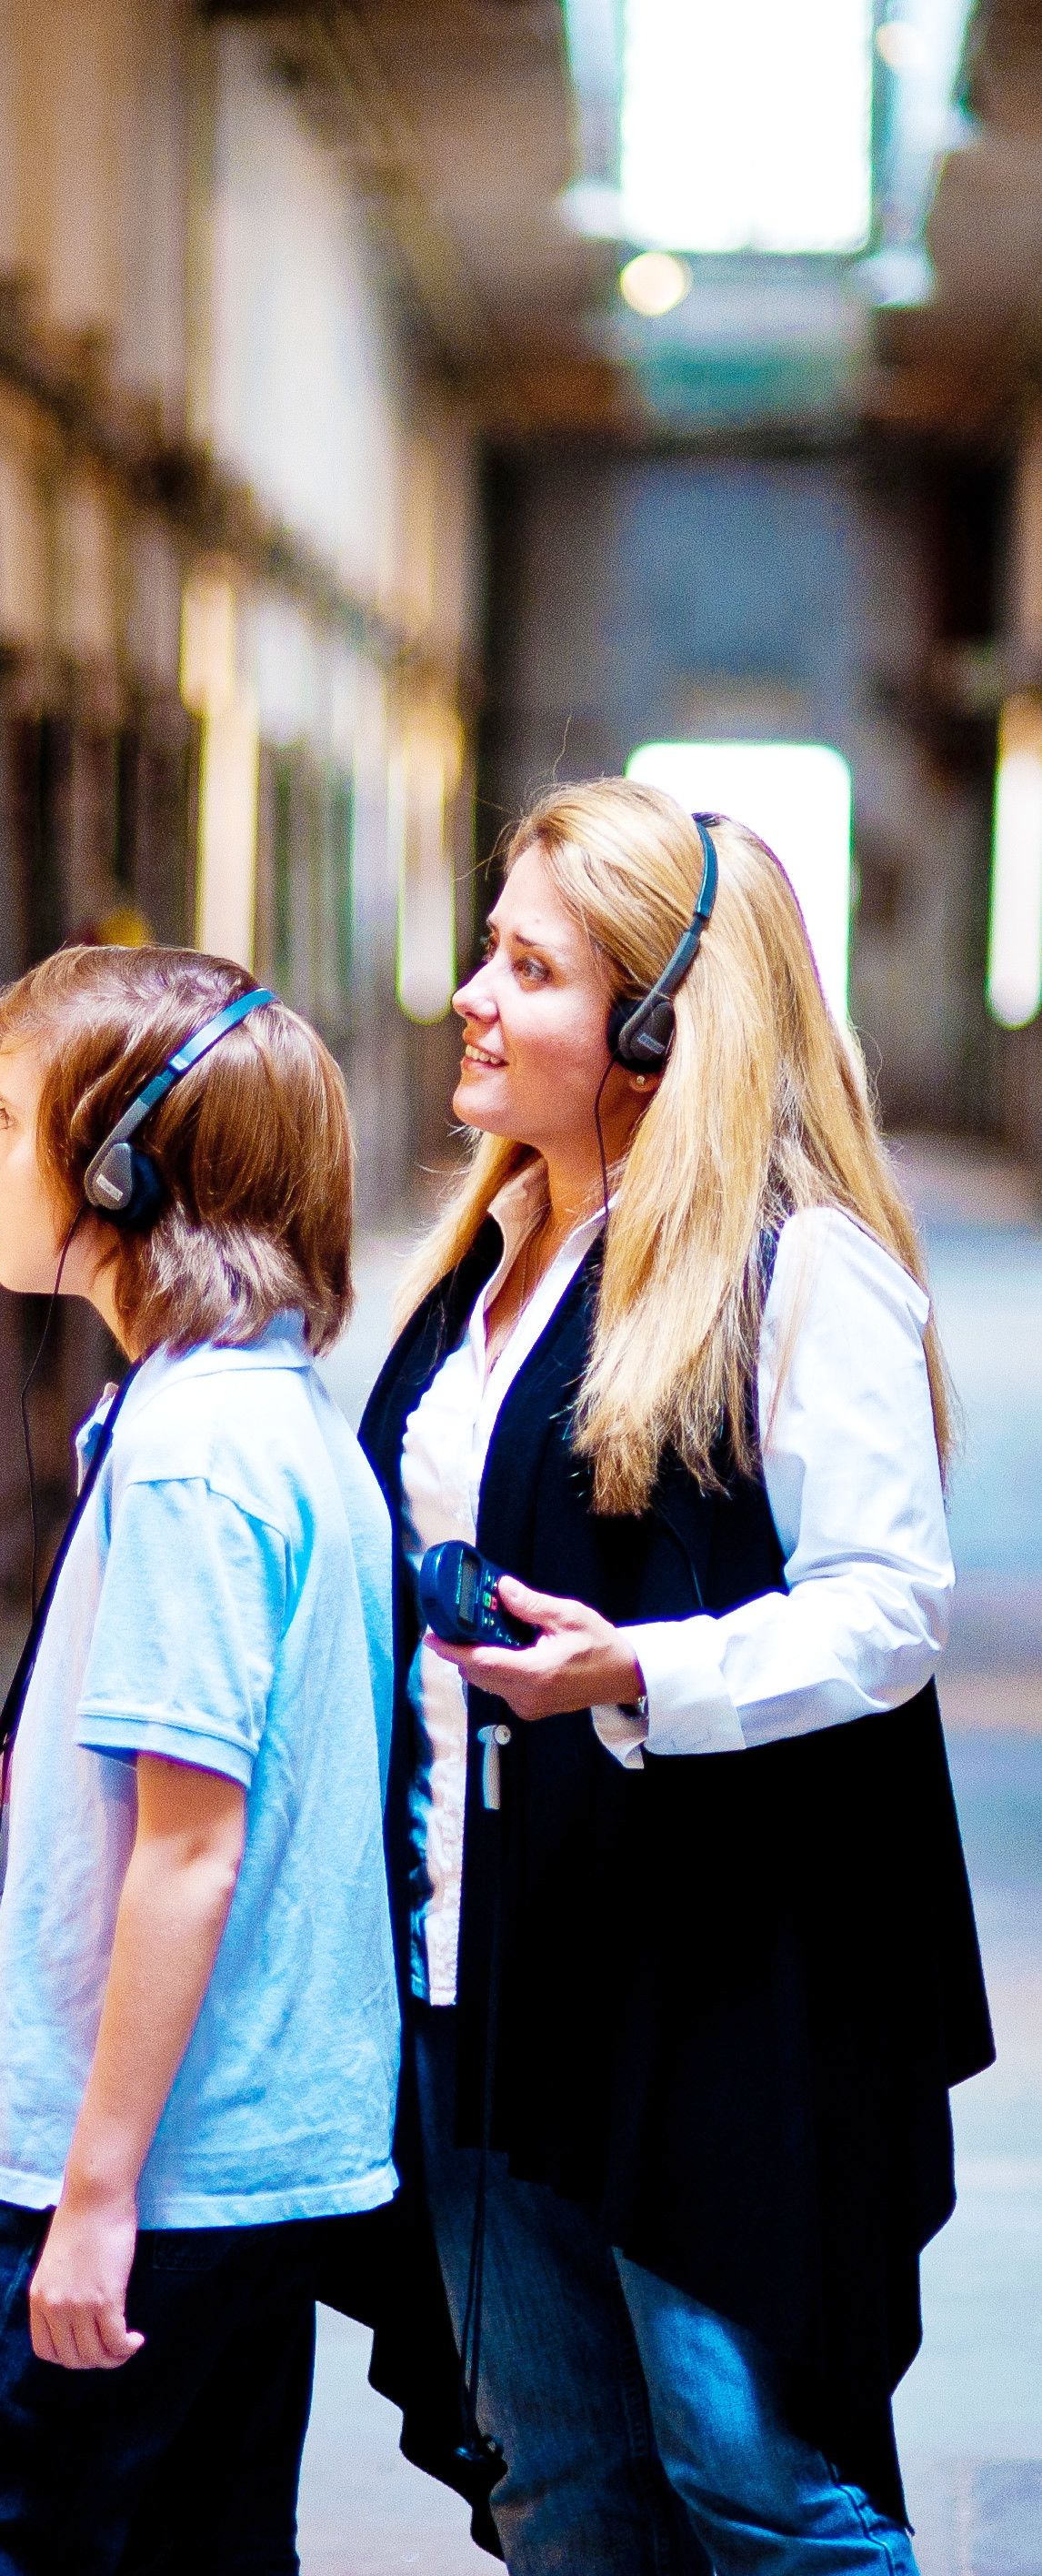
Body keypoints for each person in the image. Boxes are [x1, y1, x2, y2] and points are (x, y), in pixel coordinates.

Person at [356, 778, 991, 2574]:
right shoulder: (478, 1269)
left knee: (759, 2498)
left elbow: (887, 1606)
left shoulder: (801, 1275)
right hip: (482, 1970)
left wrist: (646, 1673)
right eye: (491, 951)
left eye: (528, 968)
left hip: (706, 1984)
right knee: (559, 2491)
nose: (474, 994)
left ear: (647, 1032)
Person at [0, 944, 400, 2576]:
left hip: (155, 2158)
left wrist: (91, 2201)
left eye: (4, 1121)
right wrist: (13, 1774)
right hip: (244, 2153)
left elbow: (194, 1852)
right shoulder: (260, 1414)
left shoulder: (187, 1465)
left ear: (118, 1169)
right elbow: (223, 1794)